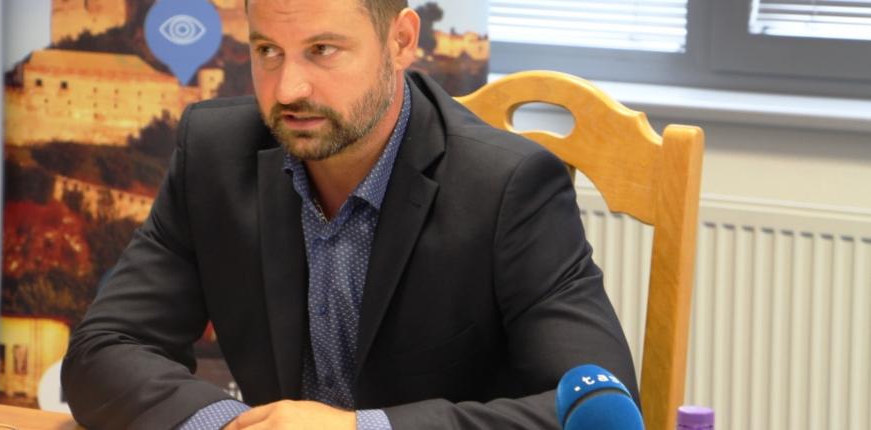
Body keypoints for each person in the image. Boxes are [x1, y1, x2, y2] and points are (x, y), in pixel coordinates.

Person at [61, 0, 638, 429]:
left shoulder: (509, 186)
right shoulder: (214, 154)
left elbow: (600, 406)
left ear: (401, 40)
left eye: (323, 50)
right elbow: (103, 350)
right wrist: (230, 424)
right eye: (267, 52)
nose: (288, 90)